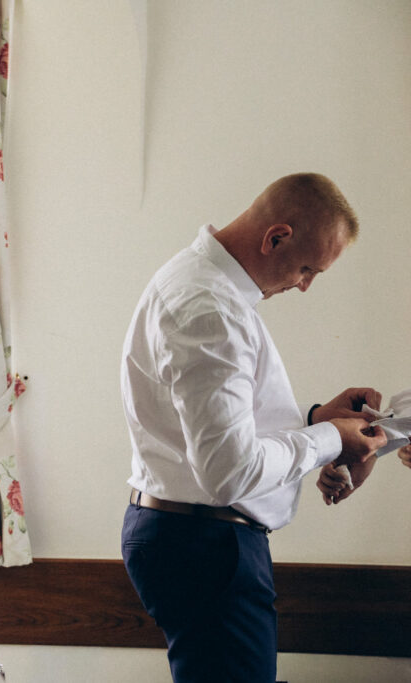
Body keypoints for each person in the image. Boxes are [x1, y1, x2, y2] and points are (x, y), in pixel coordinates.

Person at [119, 173, 388, 683]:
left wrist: (314, 419)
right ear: (276, 237)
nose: (304, 286)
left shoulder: (202, 284)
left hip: (197, 537)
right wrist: (331, 439)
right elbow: (229, 472)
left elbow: (220, 429)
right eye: (307, 269)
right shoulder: (210, 307)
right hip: (206, 546)